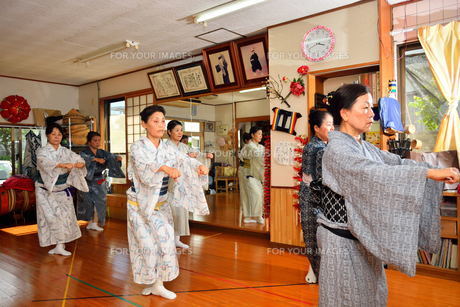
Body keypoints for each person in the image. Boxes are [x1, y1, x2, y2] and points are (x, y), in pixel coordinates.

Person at [317, 84, 460, 306]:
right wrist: (428, 173)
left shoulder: (362, 146)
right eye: (365, 108)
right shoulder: (337, 150)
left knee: (373, 295)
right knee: (345, 296)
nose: (372, 114)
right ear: (344, 114)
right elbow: (377, 173)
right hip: (341, 242)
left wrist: (435, 169)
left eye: (370, 108)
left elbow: (395, 162)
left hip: (362, 238)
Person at [127, 105, 209, 300]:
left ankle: (159, 284)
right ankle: (153, 283)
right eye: (155, 121)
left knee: (165, 242)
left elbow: (182, 160)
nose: (161, 124)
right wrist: (164, 168)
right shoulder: (138, 146)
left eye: (162, 120)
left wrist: (198, 166)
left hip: (160, 204)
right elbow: (144, 169)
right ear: (144, 124)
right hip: (139, 207)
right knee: (146, 246)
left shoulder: (166, 147)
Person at [35, 123, 88, 256]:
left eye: (59, 134)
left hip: (62, 189)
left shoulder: (65, 151)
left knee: (64, 217)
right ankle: (57, 244)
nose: (57, 137)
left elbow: (79, 159)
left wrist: (80, 164)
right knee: (50, 218)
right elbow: (43, 162)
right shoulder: (42, 151)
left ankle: (60, 245)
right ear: (47, 135)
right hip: (44, 190)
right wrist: (61, 164)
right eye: (53, 134)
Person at [299, 109, 334, 284]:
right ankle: (321, 276)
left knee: (318, 240)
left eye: (333, 124)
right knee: (313, 239)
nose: (332, 128)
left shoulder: (323, 146)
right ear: (316, 128)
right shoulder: (317, 148)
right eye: (328, 125)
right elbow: (318, 180)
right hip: (312, 198)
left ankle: (319, 273)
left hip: (317, 197)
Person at [165, 120, 211, 249]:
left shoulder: (184, 147)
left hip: (183, 183)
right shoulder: (165, 147)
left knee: (181, 210)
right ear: (169, 132)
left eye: (181, 130)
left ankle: (177, 239)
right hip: (171, 181)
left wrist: (204, 156)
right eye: (177, 130)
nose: (180, 133)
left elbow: (195, 156)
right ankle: (168, 240)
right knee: (171, 211)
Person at [77, 131, 125, 231]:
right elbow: (82, 159)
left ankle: (95, 222)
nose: (97, 142)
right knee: (87, 202)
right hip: (86, 180)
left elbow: (111, 157)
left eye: (99, 140)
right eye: (95, 140)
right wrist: (94, 159)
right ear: (89, 142)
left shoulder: (102, 152)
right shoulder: (84, 153)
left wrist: (117, 158)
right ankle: (89, 222)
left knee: (100, 201)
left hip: (99, 179)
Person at [239, 127, 265, 224]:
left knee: (259, 194)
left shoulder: (261, 147)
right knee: (251, 194)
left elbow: (264, 157)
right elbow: (257, 157)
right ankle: (249, 216)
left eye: (261, 134)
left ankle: (257, 216)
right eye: (258, 134)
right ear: (252, 135)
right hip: (247, 173)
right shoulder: (248, 146)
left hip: (257, 174)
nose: (260, 136)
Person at [238, 132, 254, 223]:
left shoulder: (248, 148)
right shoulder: (246, 149)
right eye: (250, 140)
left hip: (247, 171)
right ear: (246, 141)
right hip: (245, 172)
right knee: (246, 193)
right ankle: (248, 215)